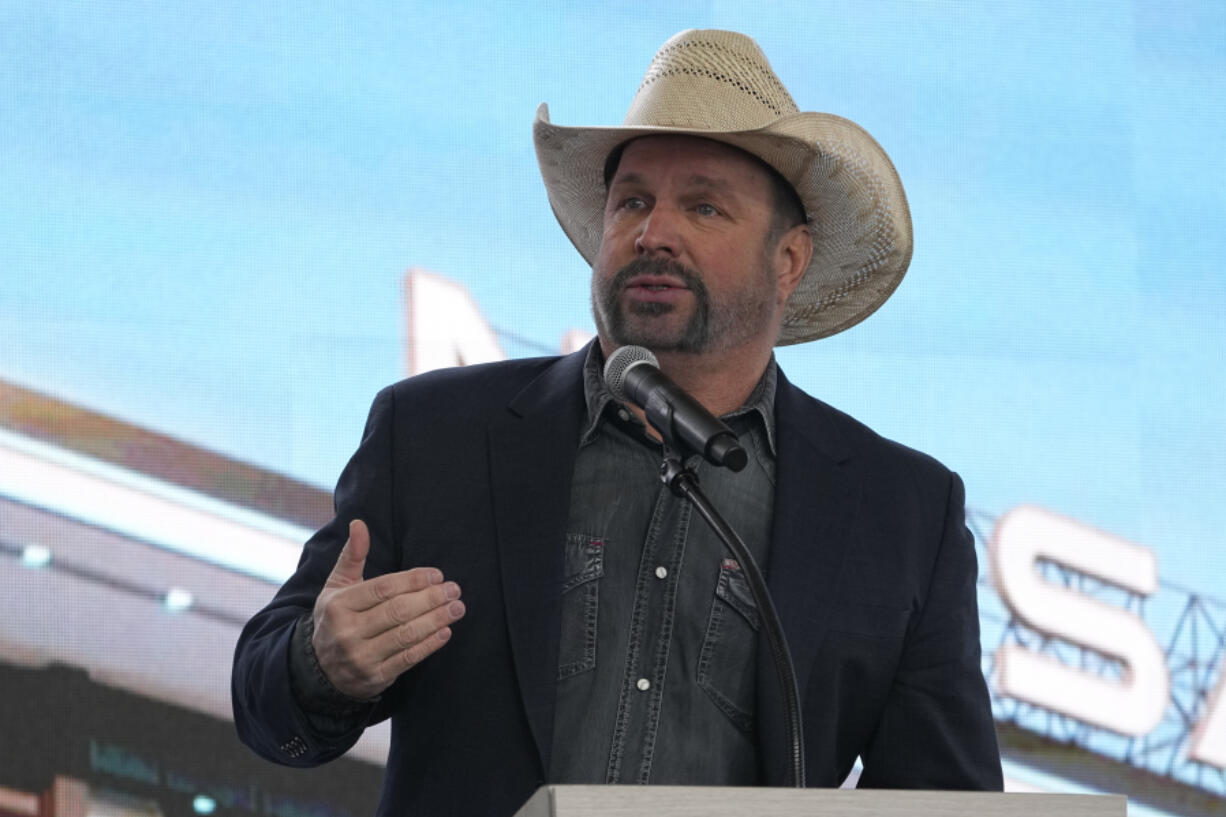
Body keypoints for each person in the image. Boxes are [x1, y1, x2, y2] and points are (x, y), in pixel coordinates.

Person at [231, 29, 1003, 815]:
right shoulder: (436, 436)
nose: (653, 232)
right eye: (632, 200)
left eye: (703, 205)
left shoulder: (902, 515)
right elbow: (266, 701)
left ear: (790, 260)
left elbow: (947, 800)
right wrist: (318, 667)